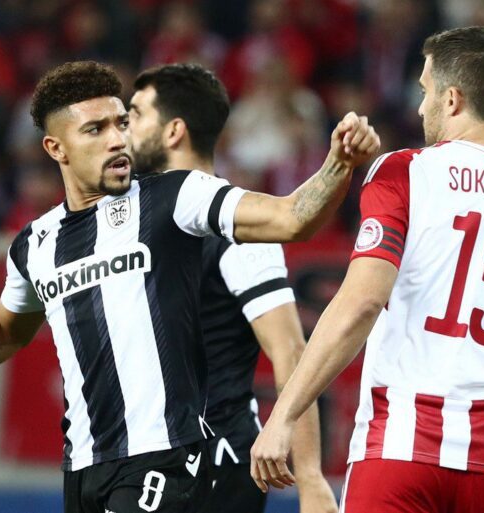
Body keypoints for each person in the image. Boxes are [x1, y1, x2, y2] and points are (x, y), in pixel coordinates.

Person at [0, 60, 379, 513]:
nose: (118, 139)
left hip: (166, 459)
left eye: (121, 123)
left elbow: (290, 218)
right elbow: (5, 328)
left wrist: (338, 164)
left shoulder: (177, 196)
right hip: (83, 468)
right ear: (56, 148)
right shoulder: (34, 244)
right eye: (96, 130)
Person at [250, 26, 484, 513]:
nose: (421, 106)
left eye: (425, 91)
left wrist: (284, 416)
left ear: (452, 99)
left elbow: (362, 302)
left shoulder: (404, 172)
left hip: (397, 451)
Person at [128, 63, 337, 513]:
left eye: (137, 114)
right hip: (141, 465)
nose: (124, 128)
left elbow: (290, 352)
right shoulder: (128, 226)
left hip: (215, 464)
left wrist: (310, 479)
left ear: (174, 131)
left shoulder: (236, 228)